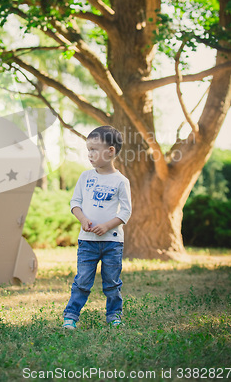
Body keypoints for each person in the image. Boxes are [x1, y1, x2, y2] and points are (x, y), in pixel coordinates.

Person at [63, 125, 132, 329]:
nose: (89, 154)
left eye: (94, 149)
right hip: (88, 242)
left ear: (110, 151)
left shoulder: (121, 181)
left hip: (112, 242)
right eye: (88, 149)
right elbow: (75, 203)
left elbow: (125, 211)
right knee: (82, 281)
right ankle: (71, 316)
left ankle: (114, 316)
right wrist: (83, 220)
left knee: (112, 283)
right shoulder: (86, 177)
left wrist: (107, 226)